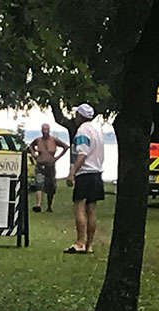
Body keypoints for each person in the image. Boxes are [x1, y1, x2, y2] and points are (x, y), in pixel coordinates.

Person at [65, 103, 104, 254]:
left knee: (79, 206)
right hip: (97, 173)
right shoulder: (98, 130)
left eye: (76, 115)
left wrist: (72, 171)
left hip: (85, 173)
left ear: (80, 116)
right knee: (92, 209)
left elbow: (82, 154)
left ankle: (80, 242)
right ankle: (89, 245)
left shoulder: (82, 131)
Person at [29, 123, 69, 212]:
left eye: (46, 130)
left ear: (49, 130)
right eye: (43, 130)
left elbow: (65, 147)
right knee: (39, 184)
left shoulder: (53, 140)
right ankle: (38, 205)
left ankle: (49, 206)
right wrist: (34, 154)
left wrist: (57, 158)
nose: (45, 132)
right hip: (40, 165)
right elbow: (31, 146)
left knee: (50, 186)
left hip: (50, 166)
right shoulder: (38, 140)